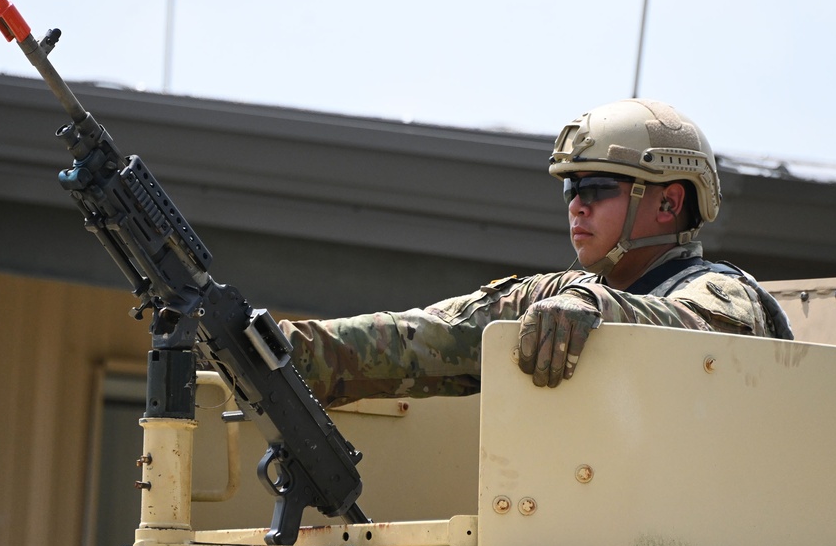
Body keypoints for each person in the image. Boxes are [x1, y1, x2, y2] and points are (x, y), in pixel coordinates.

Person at [279, 99, 792, 407]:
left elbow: (704, 334)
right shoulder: (564, 298)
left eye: (595, 188)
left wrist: (592, 307)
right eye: (570, 190)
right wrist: (279, 347)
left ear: (668, 201)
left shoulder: (719, 293)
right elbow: (424, 339)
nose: (577, 206)